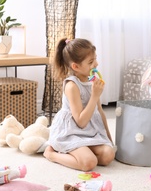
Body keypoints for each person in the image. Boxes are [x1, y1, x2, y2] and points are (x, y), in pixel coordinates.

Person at [44, 38, 115, 171]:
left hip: (90, 132)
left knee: (108, 155)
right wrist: (94, 96)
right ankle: (51, 154)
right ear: (75, 66)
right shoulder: (72, 86)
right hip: (72, 132)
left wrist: (110, 141)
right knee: (89, 163)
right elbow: (81, 122)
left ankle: (83, 150)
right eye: (90, 62)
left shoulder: (93, 80)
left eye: (95, 59)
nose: (96, 64)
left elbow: (99, 111)